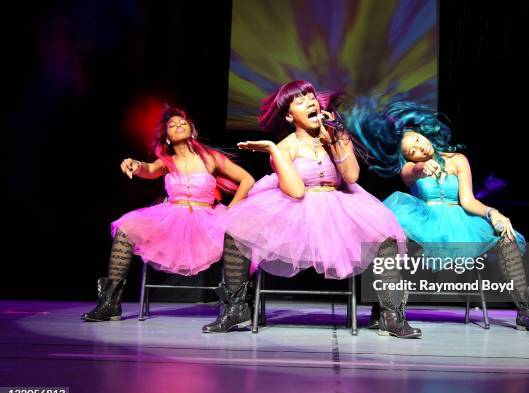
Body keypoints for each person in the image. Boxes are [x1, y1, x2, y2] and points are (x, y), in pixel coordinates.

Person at [202, 81, 422, 338]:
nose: (310, 102)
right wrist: (274, 149)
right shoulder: (285, 146)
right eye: (300, 100)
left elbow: (350, 177)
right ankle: (236, 307)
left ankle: (389, 314)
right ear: (288, 115)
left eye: (311, 97)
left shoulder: (337, 135)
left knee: (385, 236)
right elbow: (295, 191)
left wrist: (336, 139)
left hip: (339, 204)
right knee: (236, 231)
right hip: (297, 209)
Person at [345, 99, 529, 333]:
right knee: (388, 236)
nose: (418, 148)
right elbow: (412, 172)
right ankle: (388, 310)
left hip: (461, 220)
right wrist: (421, 167)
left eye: (416, 140)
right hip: (424, 221)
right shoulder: (410, 169)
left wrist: (493, 213)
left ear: (423, 134)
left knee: (506, 236)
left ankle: (526, 312)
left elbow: (468, 200)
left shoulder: (458, 160)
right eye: (410, 151)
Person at [82, 105, 254, 322]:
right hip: (171, 220)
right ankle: (110, 304)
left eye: (183, 123)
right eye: (172, 125)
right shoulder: (167, 162)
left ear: (192, 131)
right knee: (125, 228)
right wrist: (135, 164)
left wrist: (231, 209)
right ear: (168, 138)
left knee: (239, 232)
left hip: (207, 220)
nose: (178, 125)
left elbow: (247, 179)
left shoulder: (211, 158)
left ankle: (237, 307)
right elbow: (148, 169)